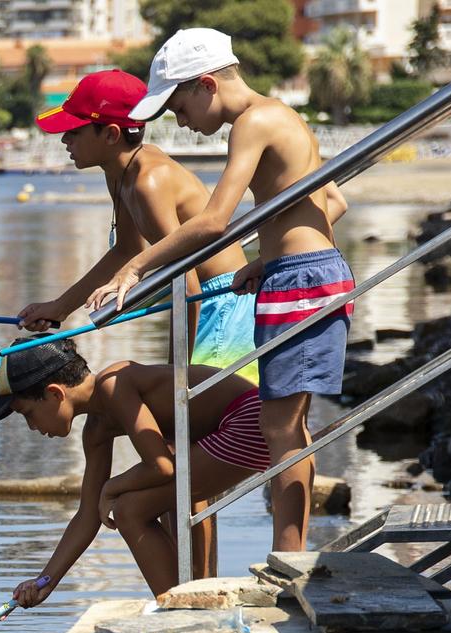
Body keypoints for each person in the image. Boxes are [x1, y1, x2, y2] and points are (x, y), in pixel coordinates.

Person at [87, 27, 352, 555]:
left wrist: (134, 269)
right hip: (299, 273)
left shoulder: (252, 123)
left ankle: (288, 558)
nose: (180, 122)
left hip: (300, 280)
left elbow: (213, 223)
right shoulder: (283, 116)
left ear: (206, 84)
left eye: (179, 106)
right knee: (288, 425)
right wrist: (269, 261)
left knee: (280, 426)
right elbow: (333, 202)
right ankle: (290, 553)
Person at [15, 66, 263, 581]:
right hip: (205, 304)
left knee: (189, 465)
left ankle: (202, 586)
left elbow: (189, 284)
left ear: (110, 133)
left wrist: (182, 376)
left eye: (73, 131)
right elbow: (127, 252)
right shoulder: (119, 173)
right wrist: (61, 307)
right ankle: (189, 587)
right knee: (176, 466)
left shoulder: (148, 178)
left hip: (223, 305)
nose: (63, 141)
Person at [0, 339, 271, 603]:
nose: (32, 427)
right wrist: (44, 582)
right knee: (132, 506)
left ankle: (178, 608)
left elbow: (161, 466)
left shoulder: (114, 384)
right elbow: (87, 515)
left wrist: (111, 487)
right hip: (230, 430)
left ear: (54, 393)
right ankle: (183, 603)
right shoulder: (96, 429)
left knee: (130, 509)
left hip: (250, 421)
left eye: (27, 414)